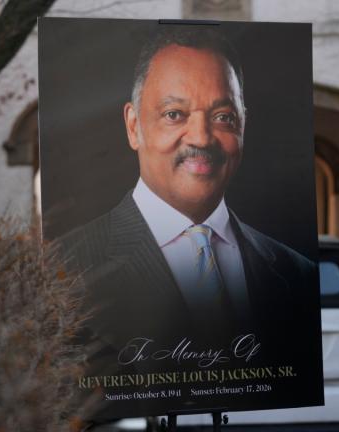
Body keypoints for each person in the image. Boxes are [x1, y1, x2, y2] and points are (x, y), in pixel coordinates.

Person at [62, 27, 320, 418]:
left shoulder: (295, 272)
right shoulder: (64, 268)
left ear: (243, 124)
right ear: (134, 126)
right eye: (174, 114)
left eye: (222, 116)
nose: (201, 137)